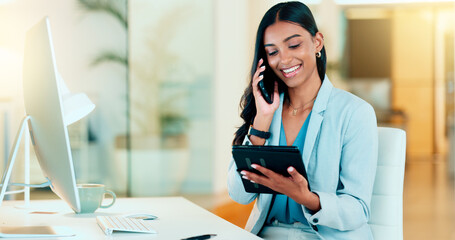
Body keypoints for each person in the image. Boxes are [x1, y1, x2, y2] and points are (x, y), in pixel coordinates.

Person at [227, 2, 378, 240]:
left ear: (317, 42)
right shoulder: (267, 111)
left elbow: (357, 210)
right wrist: (261, 123)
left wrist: (306, 197)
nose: (284, 59)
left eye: (294, 45)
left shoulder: (354, 113)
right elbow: (238, 195)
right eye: (273, 51)